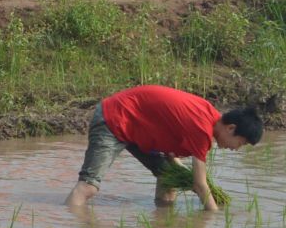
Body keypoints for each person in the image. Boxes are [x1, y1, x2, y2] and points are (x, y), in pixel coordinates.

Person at [66, 85, 261, 212]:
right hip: (114, 119)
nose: (237, 149)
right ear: (231, 128)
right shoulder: (202, 129)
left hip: (136, 126)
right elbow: (200, 185)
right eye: (241, 143)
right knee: (88, 187)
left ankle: (162, 225)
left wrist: (178, 171)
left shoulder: (209, 115)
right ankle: (71, 226)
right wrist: (214, 217)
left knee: (169, 177)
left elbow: (170, 146)